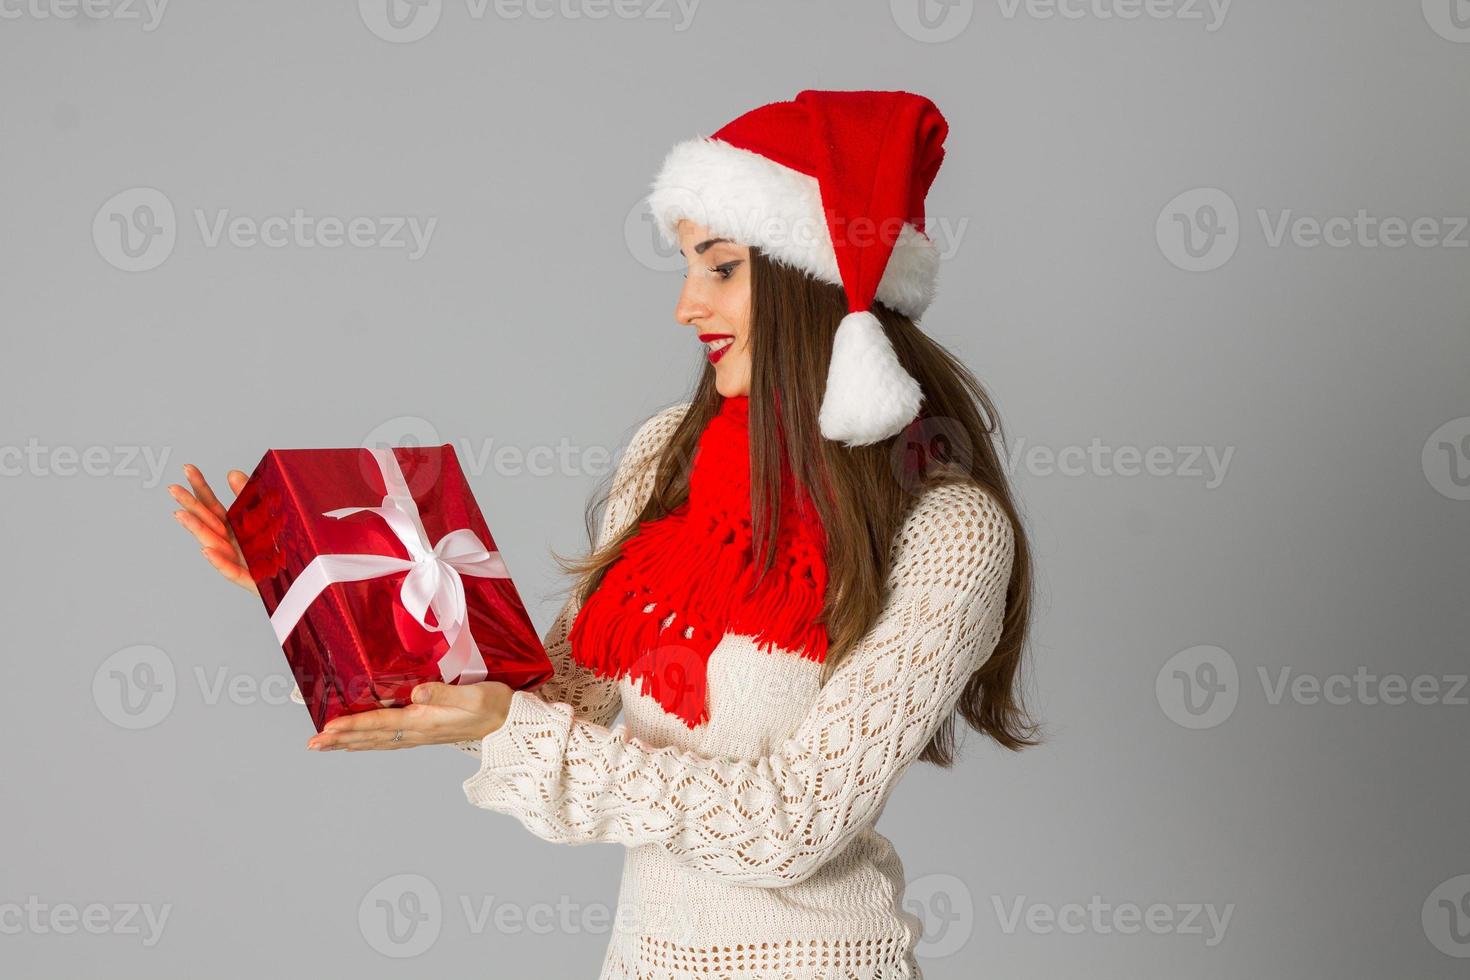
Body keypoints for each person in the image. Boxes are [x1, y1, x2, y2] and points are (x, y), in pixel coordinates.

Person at [170, 89, 1038, 980]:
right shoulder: (669, 454)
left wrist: (511, 726)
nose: (686, 305)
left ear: (817, 280)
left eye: (722, 267)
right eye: (686, 266)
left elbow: (788, 828)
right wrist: (328, 583)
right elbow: (557, 709)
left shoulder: (949, 530)